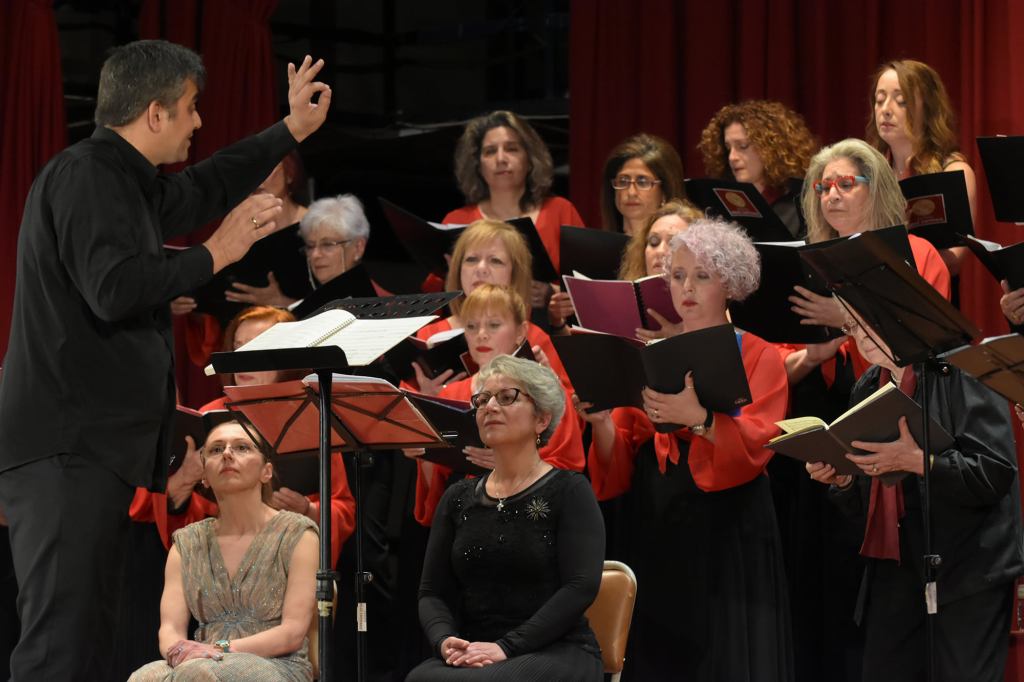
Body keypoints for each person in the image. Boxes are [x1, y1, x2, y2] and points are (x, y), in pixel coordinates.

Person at [0, 40, 330, 681]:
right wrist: (217, 252)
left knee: (88, 639)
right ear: (155, 112)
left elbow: (206, 185)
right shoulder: (88, 175)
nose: (199, 122)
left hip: (85, 448)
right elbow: (114, 288)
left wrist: (289, 129)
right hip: (65, 445)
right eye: (191, 107)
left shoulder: (122, 179)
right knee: (60, 643)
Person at [577, 217, 793, 681]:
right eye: (677, 276)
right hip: (662, 515)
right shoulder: (650, 352)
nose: (686, 288)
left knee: (727, 652)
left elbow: (761, 440)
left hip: (729, 521)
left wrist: (702, 419)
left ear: (730, 284)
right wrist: (600, 422)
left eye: (702, 276)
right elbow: (622, 453)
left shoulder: (758, 353)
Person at [805, 308, 1023, 682]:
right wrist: (843, 481)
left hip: (969, 568)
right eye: (852, 326)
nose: (860, 335)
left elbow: (995, 472)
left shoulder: (958, 370)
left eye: (867, 322)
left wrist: (922, 462)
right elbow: (867, 508)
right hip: (897, 569)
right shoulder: (868, 387)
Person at [406, 355, 604, 681]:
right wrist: (444, 640)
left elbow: (581, 587)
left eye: (507, 397)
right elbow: (431, 592)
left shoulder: (569, 490)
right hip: (478, 648)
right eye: (482, 400)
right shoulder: (458, 498)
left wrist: (507, 647)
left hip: (556, 647)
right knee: (420, 678)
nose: (490, 407)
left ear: (542, 419)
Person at [130, 305, 356, 565]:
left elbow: (343, 507)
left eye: (257, 347)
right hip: (221, 558)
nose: (242, 358)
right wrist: (185, 478)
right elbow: (181, 515)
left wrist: (309, 511)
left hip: (291, 556)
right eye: (237, 347)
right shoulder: (209, 415)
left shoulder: (313, 417)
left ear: (287, 356)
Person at [129, 420, 320, 681]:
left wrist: (217, 649)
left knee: (197, 673)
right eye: (216, 450)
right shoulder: (187, 543)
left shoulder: (298, 534)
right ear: (204, 476)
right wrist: (180, 652)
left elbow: (292, 633)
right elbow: (170, 628)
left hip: (278, 663)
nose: (227, 454)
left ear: (266, 471)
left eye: (242, 447)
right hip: (201, 661)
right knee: (144, 677)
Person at [407, 284, 585, 527]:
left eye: (493, 325)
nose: (481, 334)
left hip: (530, 519)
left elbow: (567, 468)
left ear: (520, 332)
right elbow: (436, 501)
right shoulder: (451, 394)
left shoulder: (542, 392)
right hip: (464, 521)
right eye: (471, 326)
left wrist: (509, 464)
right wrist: (426, 455)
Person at [785, 138, 951, 383]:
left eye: (845, 184)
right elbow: (780, 362)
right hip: (841, 393)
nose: (832, 196)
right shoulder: (814, 264)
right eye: (825, 187)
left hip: (909, 392)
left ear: (875, 191)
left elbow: (928, 343)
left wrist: (849, 318)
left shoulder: (919, 253)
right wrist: (811, 357)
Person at [445, 110, 584, 310]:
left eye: (511, 149)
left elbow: (589, 289)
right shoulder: (457, 220)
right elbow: (436, 295)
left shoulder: (560, 211)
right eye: (490, 151)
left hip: (547, 327)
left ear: (530, 159)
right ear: (478, 165)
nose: (501, 158)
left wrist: (551, 293)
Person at [413, 219, 572, 394]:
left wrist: (548, 388)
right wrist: (425, 398)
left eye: (495, 261)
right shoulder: (429, 336)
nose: (481, 268)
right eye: (471, 259)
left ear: (514, 274)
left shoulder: (533, 337)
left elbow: (568, 407)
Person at [866, 59, 973, 276]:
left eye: (902, 101)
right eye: (879, 100)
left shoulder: (953, 170)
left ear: (928, 109)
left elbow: (956, 257)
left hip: (931, 291)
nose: (885, 110)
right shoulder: (869, 173)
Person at [172, 151, 311, 315]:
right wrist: (182, 297)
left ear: (290, 174)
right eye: (250, 169)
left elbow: (329, 297)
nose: (257, 177)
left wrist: (284, 303)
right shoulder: (237, 226)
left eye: (267, 167)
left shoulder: (317, 226)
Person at [223, 193, 373, 308]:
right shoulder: (312, 297)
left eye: (327, 244)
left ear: (358, 247)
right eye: (310, 246)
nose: (315, 255)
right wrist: (283, 303)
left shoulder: (377, 299)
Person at [698, 100, 818, 238]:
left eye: (743, 146)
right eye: (728, 148)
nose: (732, 157)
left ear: (771, 148)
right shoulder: (720, 205)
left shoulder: (801, 205)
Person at [613, 199, 703, 341]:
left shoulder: (713, 304)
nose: (660, 251)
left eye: (673, 243)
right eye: (654, 242)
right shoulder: (623, 303)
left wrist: (682, 340)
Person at [599, 132, 686, 235]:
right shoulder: (598, 243)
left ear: (665, 191)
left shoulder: (681, 244)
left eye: (642, 182)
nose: (631, 192)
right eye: (623, 181)